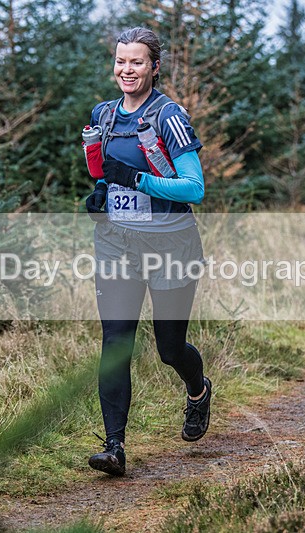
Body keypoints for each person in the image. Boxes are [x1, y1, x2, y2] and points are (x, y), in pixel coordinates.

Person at [84, 27, 211, 477]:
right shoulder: (103, 115)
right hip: (117, 245)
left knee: (169, 347)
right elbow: (105, 172)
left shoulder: (168, 116)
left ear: (155, 67)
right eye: (121, 61)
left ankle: (197, 389)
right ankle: (114, 447)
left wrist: (136, 181)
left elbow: (193, 187)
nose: (127, 70)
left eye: (137, 62)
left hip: (170, 244)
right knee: (115, 344)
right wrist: (101, 195)